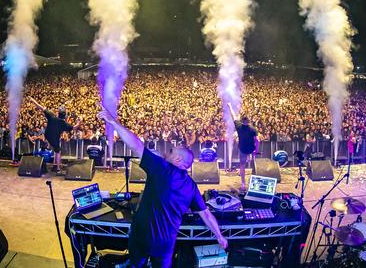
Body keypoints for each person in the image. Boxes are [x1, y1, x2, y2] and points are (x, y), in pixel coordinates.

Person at [98, 106, 228, 268]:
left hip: (141, 237)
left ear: (179, 160)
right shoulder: (191, 187)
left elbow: (136, 145)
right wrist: (219, 237)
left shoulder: (162, 168)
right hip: (165, 244)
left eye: (171, 151)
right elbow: (206, 215)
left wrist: (113, 122)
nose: (167, 153)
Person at [28, 96, 75, 173]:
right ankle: (58, 168)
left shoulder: (52, 116)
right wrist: (80, 122)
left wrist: (33, 100)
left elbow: (40, 107)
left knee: (55, 149)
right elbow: (74, 128)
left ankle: (53, 162)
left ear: (58, 113)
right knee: (58, 151)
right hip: (55, 138)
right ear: (65, 115)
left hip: (47, 135)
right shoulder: (64, 123)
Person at [227, 103, 259, 191]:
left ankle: (243, 184)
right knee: (253, 165)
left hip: (243, 149)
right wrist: (256, 150)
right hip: (251, 149)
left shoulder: (239, 126)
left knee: (242, 165)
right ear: (248, 121)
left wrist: (230, 106)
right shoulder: (253, 129)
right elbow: (257, 140)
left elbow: (233, 116)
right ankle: (253, 184)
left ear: (242, 121)